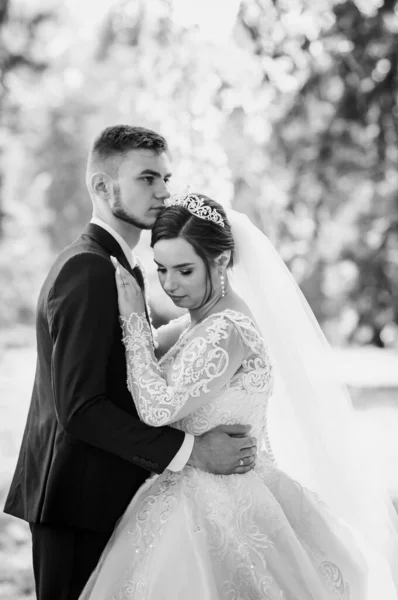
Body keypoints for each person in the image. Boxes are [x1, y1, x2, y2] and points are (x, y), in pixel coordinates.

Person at [79, 192, 398, 599]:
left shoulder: (226, 329)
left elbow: (158, 408)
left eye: (185, 270)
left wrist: (133, 322)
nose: (170, 284)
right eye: (161, 269)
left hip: (226, 505)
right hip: (185, 494)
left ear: (222, 261)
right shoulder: (198, 324)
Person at [3, 126, 256, 600]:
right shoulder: (88, 270)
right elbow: (79, 408)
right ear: (102, 187)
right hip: (77, 505)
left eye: (166, 177)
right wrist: (191, 451)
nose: (163, 191)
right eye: (146, 178)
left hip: (104, 498)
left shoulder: (118, 267)